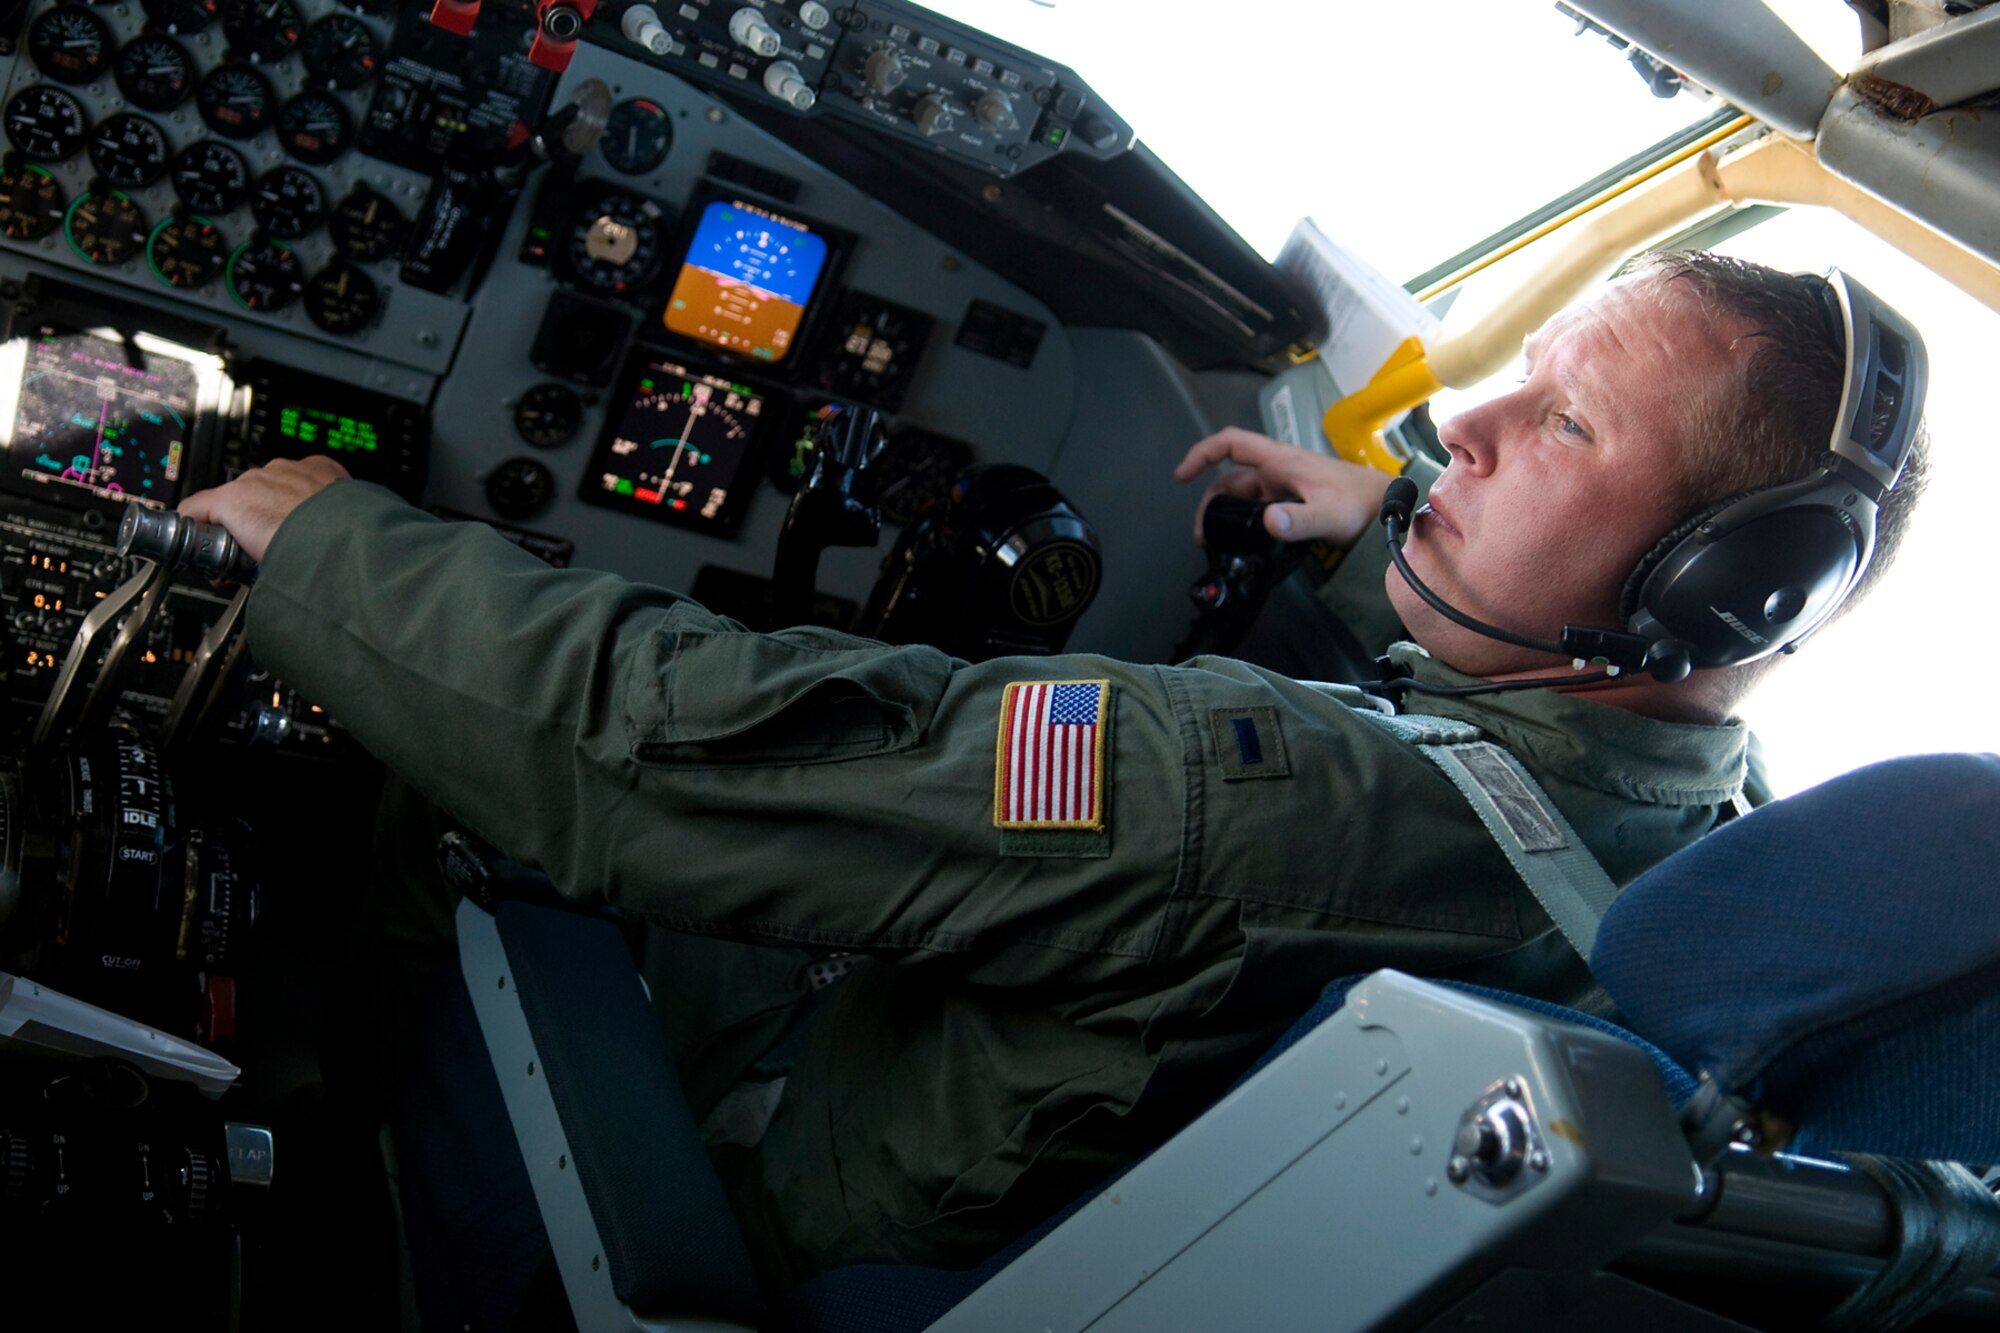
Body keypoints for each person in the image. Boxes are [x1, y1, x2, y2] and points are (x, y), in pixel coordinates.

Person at [179, 252, 1925, 1291]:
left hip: (784, 1176)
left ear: (1716, 588)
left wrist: (324, 539)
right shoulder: (1712, 853)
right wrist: (1373, 530)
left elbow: (662, 753)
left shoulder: (1233, 790)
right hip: (1019, 1153)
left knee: (461, 795)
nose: (1452, 426)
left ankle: (300, 1191)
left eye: (1561, 423)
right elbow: (1506, 773)